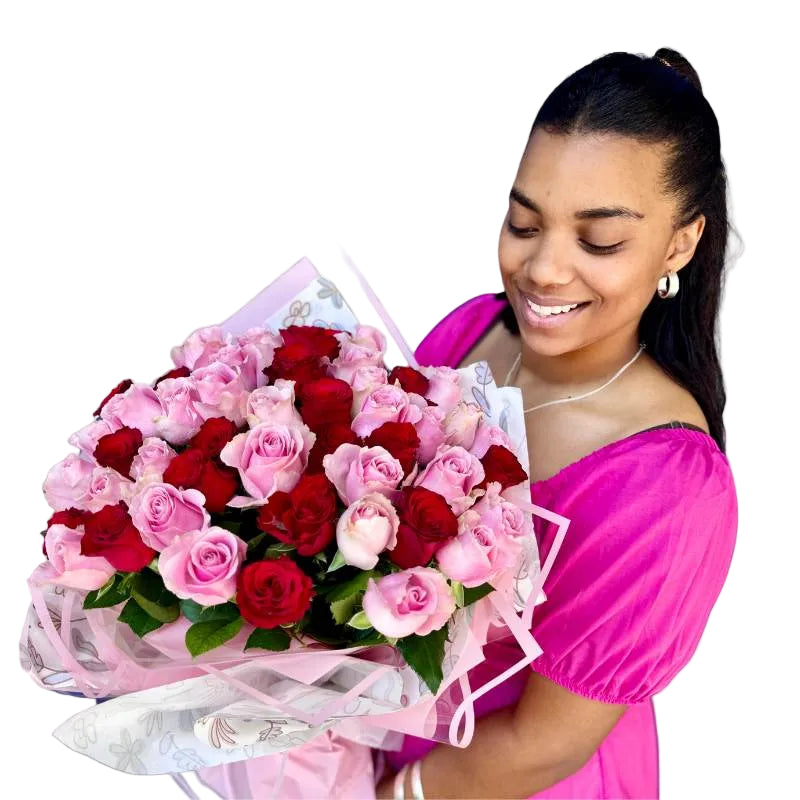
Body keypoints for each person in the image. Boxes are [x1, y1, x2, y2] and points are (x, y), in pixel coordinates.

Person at [375, 47, 739, 800]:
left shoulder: (668, 485)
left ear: (681, 242)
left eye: (599, 240)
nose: (543, 269)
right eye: (524, 223)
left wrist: (386, 795)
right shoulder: (473, 334)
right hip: (386, 736)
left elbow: (546, 747)